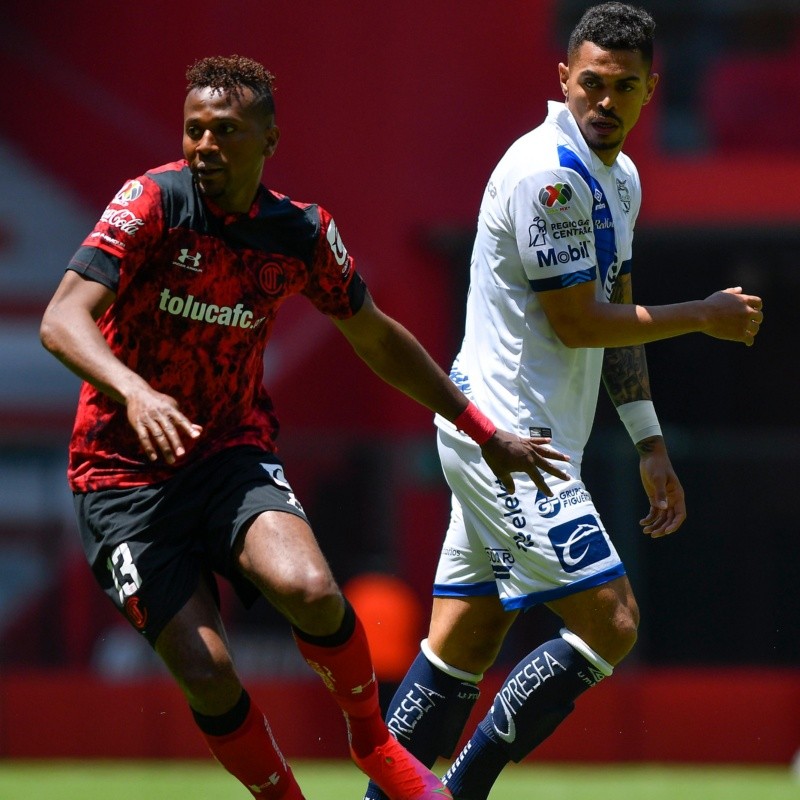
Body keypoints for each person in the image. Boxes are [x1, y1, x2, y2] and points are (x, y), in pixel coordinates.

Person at [39, 55, 572, 800]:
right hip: (121, 476)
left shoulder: (300, 234)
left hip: (229, 454)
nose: (204, 146)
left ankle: (373, 743)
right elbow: (61, 318)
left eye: (225, 131)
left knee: (313, 591)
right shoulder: (151, 204)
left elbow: (377, 337)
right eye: (193, 129)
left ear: (269, 139)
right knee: (209, 672)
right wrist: (133, 392)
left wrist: (484, 431)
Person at [362, 4, 764, 800]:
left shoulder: (620, 178)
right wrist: (704, 314)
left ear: (653, 88)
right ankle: (461, 790)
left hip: (522, 437)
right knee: (611, 622)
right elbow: (578, 321)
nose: (604, 101)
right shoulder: (550, 173)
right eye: (590, 84)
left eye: (623, 86)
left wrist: (648, 441)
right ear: (563, 80)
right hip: (511, 443)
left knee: (463, 643)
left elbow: (614, 299)